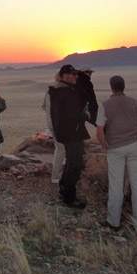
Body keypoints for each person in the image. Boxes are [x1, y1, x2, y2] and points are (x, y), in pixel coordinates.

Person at [96, 75, 137, 229]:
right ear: (124, 86)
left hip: (115, 148)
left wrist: (104, 146)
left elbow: (100, 131)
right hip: (135, 146)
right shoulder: (135, 102)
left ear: (111, 87)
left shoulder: (104, 105)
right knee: (136, 182)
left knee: (116, 185)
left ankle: (113, 221)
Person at [46, 64, 87, 208]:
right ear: (64, 75)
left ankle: (63, 187)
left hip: (65, 133)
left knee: (70, 162)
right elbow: (72, 115)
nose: (76, 77)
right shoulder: (66, 92)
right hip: (72, 133)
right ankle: (69, 197)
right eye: (73, 74)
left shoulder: (58, 91)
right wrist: (84, 115)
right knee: (75, 165)